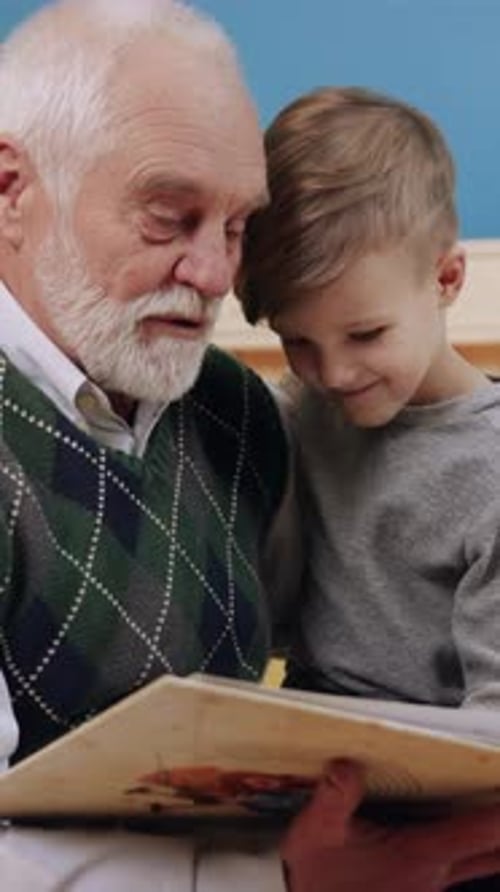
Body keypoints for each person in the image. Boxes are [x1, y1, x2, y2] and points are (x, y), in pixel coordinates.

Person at [2, 2, 500, 887]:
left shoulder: (234, 412)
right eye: (168, 215)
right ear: (11, 191)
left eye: (235, 228)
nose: (212, 276)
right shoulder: (281, 413)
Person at [238, 85, 500, 889]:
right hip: (308, 762)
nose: (333, 373)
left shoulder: (488, 468)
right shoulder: (299, 411)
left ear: (447, 278)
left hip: (452, 791)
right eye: (298, 341)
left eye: (365, 334)